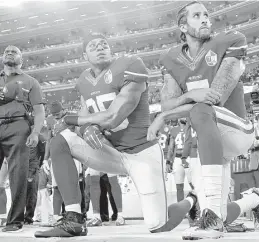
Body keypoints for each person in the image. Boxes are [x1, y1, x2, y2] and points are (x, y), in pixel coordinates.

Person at [34, 32, 205, 238]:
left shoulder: (131, 64)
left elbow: (113, 117)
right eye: (93, 46)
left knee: (159, 226)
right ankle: (74, 218)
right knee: (60, 141)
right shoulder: (83, 80)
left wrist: (73, 120)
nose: (100, 47)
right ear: (84, 55)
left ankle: (191, 201)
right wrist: (84, 128)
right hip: (111, 152)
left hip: (142, 154)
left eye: (104, 44)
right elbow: (84, 116)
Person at [147, 1, 259, 239]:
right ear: (182, 25)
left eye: (207, 15)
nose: (205, 19)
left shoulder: (230, 41)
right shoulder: (171, 59)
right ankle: (254, 199)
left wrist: (165, 116)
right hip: (209, 142)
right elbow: (167, 101)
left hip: (238, 130)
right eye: (197, 15)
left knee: (202, 109)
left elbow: (216, 98)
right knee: (220, 213)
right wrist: (189, 94)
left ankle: (209, 216)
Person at [0, 45, 45, 232]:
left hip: (19, 126)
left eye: (15, 51)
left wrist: (35, 132)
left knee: (18, 174)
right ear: (2, 58)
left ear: (21, 59)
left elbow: (39, 110)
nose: (10, 52)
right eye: (6, 51)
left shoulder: (31, 81)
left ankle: (15, 221)